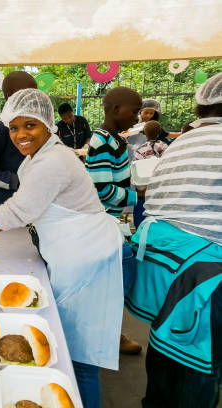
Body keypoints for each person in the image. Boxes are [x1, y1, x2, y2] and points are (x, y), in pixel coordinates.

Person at [0, 89, 124, 408]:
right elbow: (26, 203)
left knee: (79, 355)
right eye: (13, 128)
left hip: (87, 256)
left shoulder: (53, 161)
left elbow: (21, 211)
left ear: (47, 123)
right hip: (71, 251)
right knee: (68, 345)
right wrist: (1, 216)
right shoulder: (39, 156)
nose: (20, 135)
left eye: (29, 125)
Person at [125, 72, 222, 408]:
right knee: (197, 369)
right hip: (204, 274)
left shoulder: (183, 142)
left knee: (166, 348)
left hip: (163, 262)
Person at [85, 86, 144, 355]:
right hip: (102, 224)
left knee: (112, 284)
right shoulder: (101, 142)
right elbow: (102, 191)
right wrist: (138, 195)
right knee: (119, 280)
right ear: (116, 110)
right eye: (135, 111)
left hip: (112, 220)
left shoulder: (114, 139)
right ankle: (106, 335)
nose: (138, 117)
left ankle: (109, 333)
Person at [0, 71, 37, 206]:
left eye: (35, 93)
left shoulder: (33, 124)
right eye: (27, 94)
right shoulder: (1, 128)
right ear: (9, 96)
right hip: (7, 204)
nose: (35, 98)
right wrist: (15, 181)